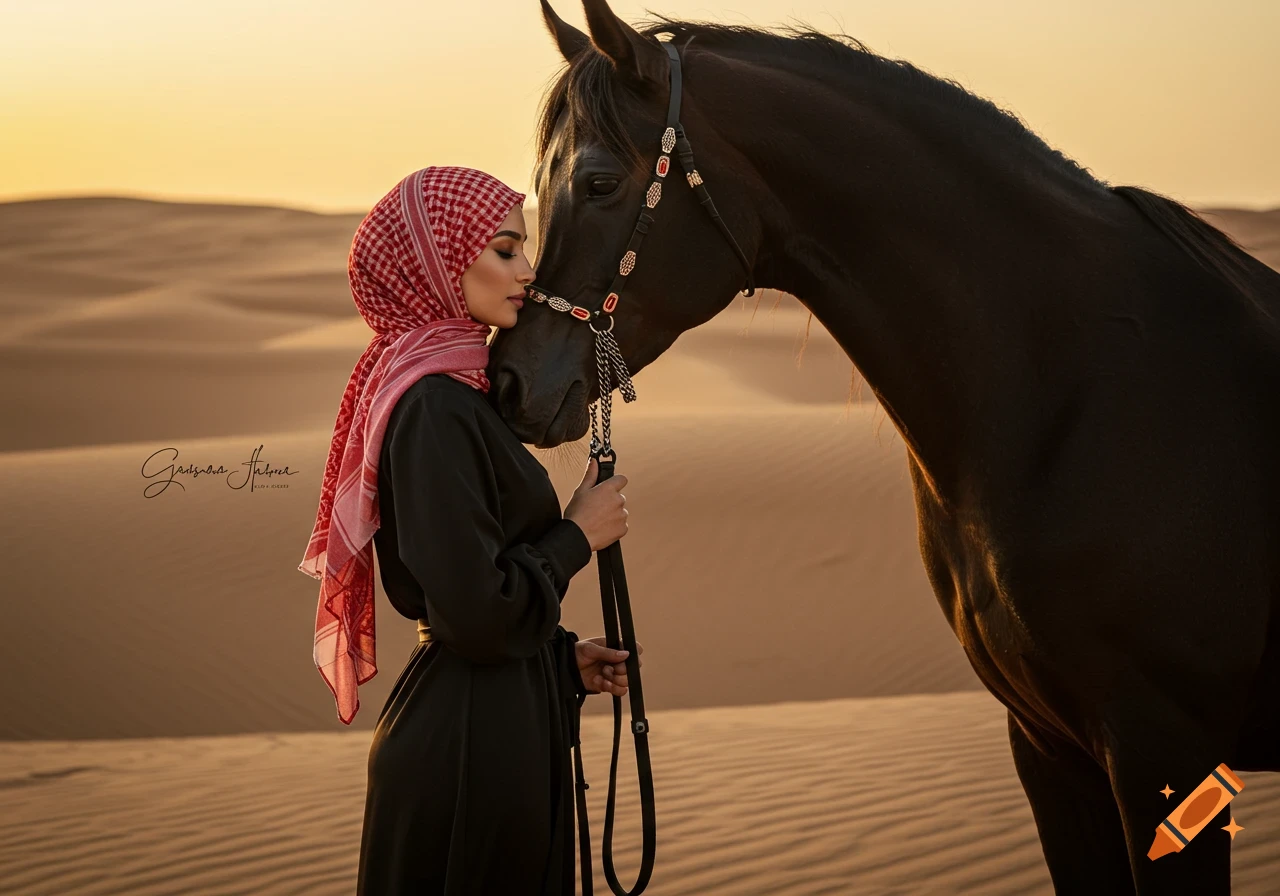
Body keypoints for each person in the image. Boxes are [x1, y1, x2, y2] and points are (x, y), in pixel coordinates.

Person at [297, 166, 643, 894]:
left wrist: (556, 664)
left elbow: (474, 603)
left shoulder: (455, 394)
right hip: (465, 756)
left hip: (490, 729)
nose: (529, 270)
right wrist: (577, 534)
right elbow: (475, 616)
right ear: (439, 264)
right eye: (507, 250)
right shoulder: (431, 408)